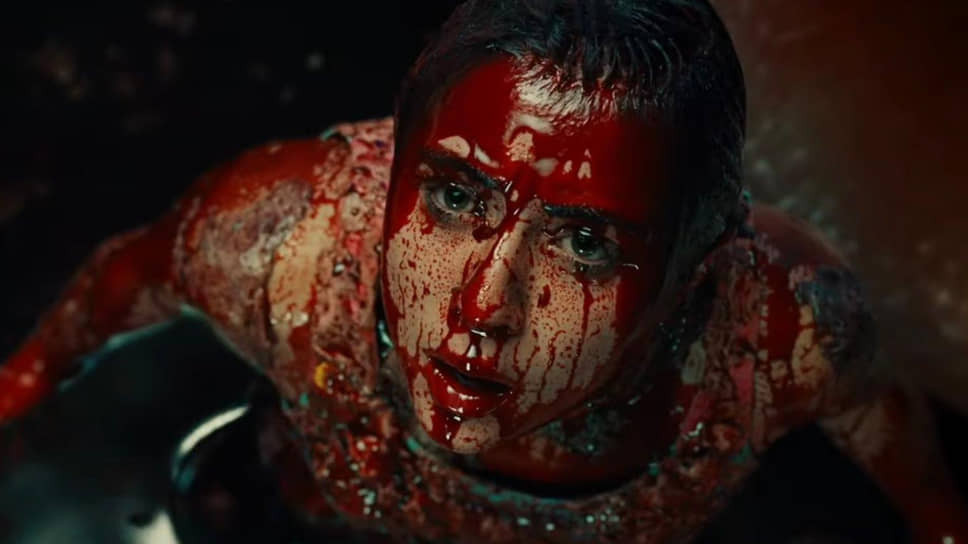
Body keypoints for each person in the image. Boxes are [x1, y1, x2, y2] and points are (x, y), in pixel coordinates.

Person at [1, 1, 965, 542]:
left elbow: (903, 451)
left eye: (586, 243)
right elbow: (115, 288)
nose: (483, 303)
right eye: (456, 197)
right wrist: (22, 384)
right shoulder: (276, 247)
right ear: (392, 170)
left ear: (698, 273)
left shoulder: (785, 339)